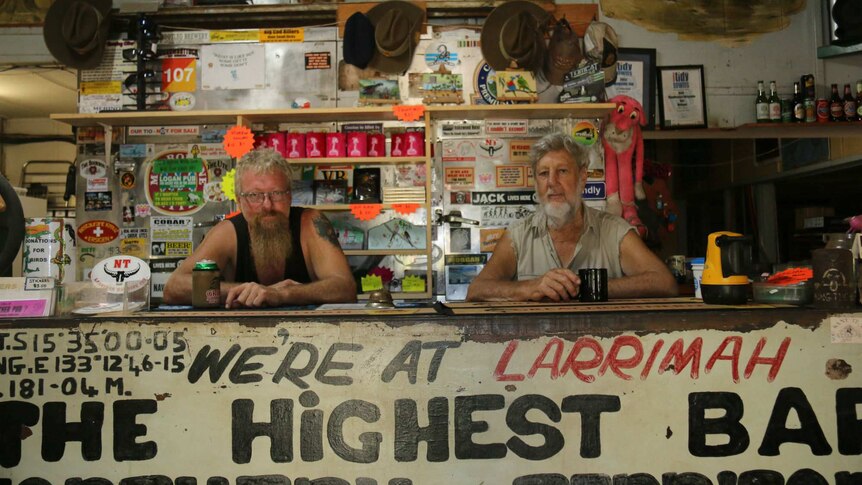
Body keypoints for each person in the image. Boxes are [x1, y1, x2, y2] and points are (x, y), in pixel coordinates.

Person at [466, 133, 677, 302]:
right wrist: (530, 287)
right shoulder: (518, 236)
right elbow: (476, 290)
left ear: (583, 176)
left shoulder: (614, 231)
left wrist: (589, 287)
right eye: (543, 174)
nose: (551, 182)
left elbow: (665, 283)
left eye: (562, 171)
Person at [163, 148, 356, 308]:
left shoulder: (311, 223)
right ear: (239, 201)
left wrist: (282, 294)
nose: (267, 205)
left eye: (277, 193)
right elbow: (174, 288)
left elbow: (345, 288)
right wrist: (244, 291)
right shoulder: (228, 233)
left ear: (290, 196)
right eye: (255, 196)